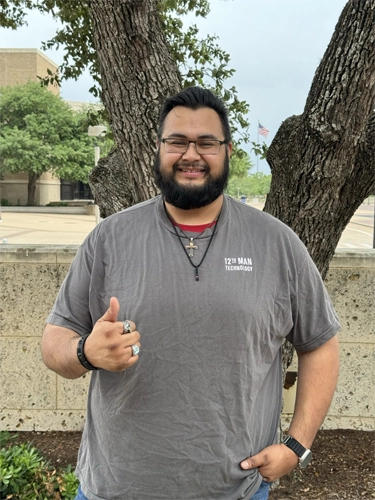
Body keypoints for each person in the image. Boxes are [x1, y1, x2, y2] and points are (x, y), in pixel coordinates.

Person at [41, 86, 340, 500]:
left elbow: (320, 343)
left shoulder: (277, 244)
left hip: (236, 489)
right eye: (177, 142)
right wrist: (85, 353)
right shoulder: (109, 239)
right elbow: (54, 341)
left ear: (228, 151)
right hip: (114, 488)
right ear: (159, 149)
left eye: (206, 143)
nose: (191, 155)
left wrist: (297, 445)